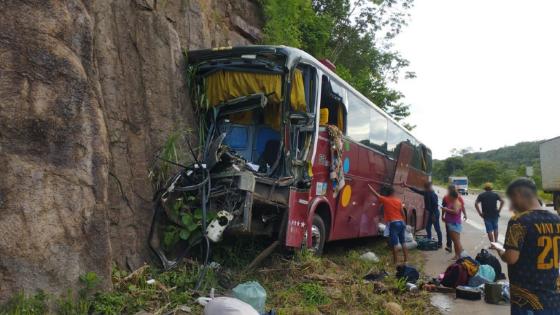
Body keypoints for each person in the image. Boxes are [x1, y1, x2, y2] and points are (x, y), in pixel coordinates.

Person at [492, 178, 560, 315]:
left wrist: (499, 250)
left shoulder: (519, 221)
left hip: (527, 300)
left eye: (512, 200)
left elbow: (511, 258)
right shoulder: (556, 220)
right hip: (553, 298)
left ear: (518, 194)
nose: (512, 207)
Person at [368, 184, 408, 264]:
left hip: (394, 223)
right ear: (393, 193)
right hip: (401, 222)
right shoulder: (398, 201)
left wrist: (369, 186)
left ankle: (395, 262)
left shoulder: (385, 200)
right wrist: (404, 222)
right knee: (403, 242)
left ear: (387, 193)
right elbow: (403, 213)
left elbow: (376, 194)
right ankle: (406, 260)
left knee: (395, 244)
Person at [404, 182, 442, 248]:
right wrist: (407, 185)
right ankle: (429, 238)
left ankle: (440, 243)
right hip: (431, 213)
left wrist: (433, 215)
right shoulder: (426, 192)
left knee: (437, 228)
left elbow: (435, 205)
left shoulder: (433, 194)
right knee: (427, 227)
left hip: (434, 213)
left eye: (426, 187)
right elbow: (416, 190)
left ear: (428, 187)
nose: (425, 188)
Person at [442, 185, 467, 252]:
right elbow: (445, 207)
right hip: (450, 222)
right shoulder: (448, 199)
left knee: (456, 241)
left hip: (454, 223)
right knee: (454, 239)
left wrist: (445, 211)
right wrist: (443, 215)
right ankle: (457, 254)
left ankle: (462, 255)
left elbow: (456, 211)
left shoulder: (457, 200)